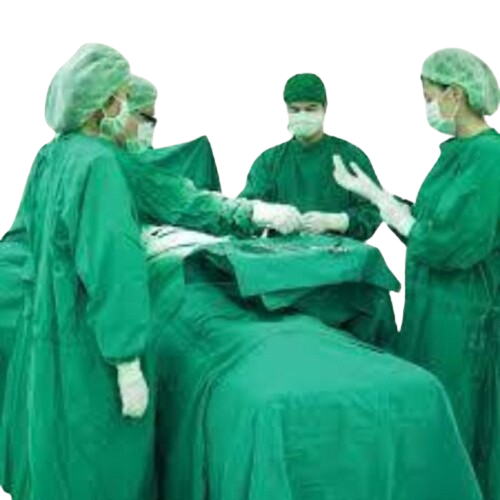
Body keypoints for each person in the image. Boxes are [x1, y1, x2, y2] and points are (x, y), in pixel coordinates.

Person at [333, 47, 500, 500]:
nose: (426, 105)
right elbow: (428, 221)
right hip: (431, 314)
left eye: (428, 96)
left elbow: (452, 244)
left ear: (456, 95)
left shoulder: (491, 159)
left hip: (463, 323)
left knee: (457, 425)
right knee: (429, 418)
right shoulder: (455, 154)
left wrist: (389, 209)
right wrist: (380, 197)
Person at [238, 72, 383, 241]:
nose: (303, 116)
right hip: (283, 253)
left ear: (325, 107)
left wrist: (337, 221)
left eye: (310, 108)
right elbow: (242, 213)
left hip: (339, 253)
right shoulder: (269, 161)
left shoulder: (351, 155)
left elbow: (374, 211)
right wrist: (267, 216)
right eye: (295, 109)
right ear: (286, 109)